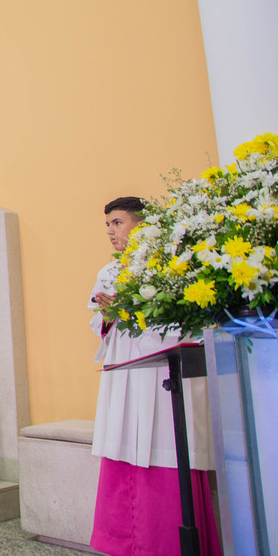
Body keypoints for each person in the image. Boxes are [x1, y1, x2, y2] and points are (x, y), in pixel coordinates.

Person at [87, 197, 220, 556]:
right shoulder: (109, 271)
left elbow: (183, 323)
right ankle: (123, 543)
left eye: (117, 223)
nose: (110, 231)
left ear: (142, 225)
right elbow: (99, 322)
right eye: (108, 225)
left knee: (164, 440)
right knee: (125, 440)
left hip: (159, 374)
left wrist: (134, 310)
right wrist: (109, 315)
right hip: (125, 374)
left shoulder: (171, 266)